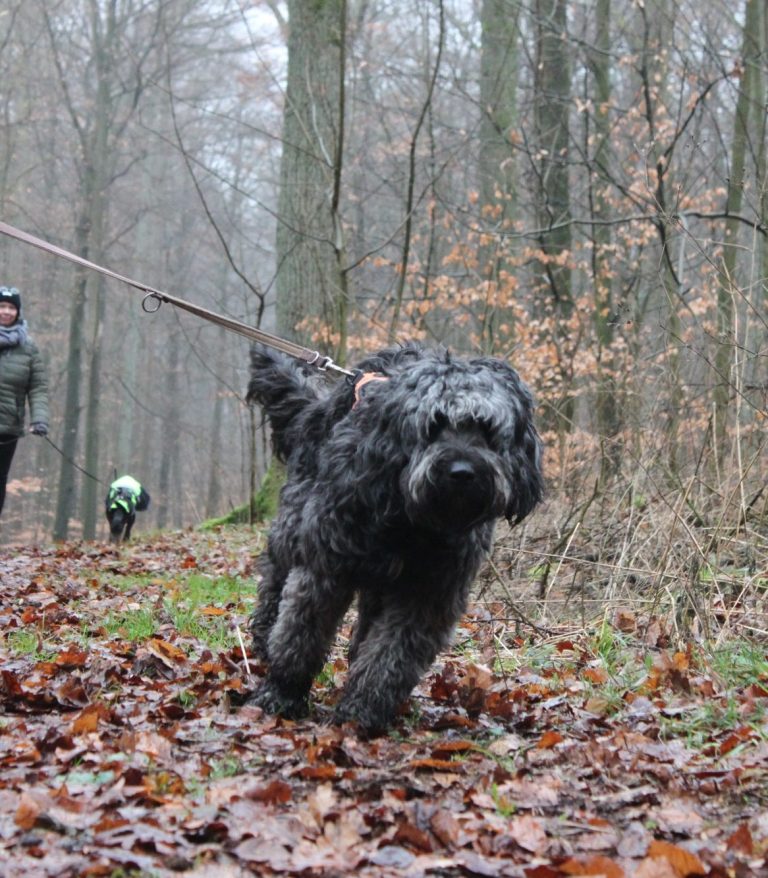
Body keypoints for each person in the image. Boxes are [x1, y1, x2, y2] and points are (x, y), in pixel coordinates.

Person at [0, 286, 49, 516]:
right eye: (2, 306)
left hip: (8, 427)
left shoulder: (29, 348)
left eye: (11, 307)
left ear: (18, 313)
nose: (6, 312)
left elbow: (38, 387)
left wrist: (40, 419)